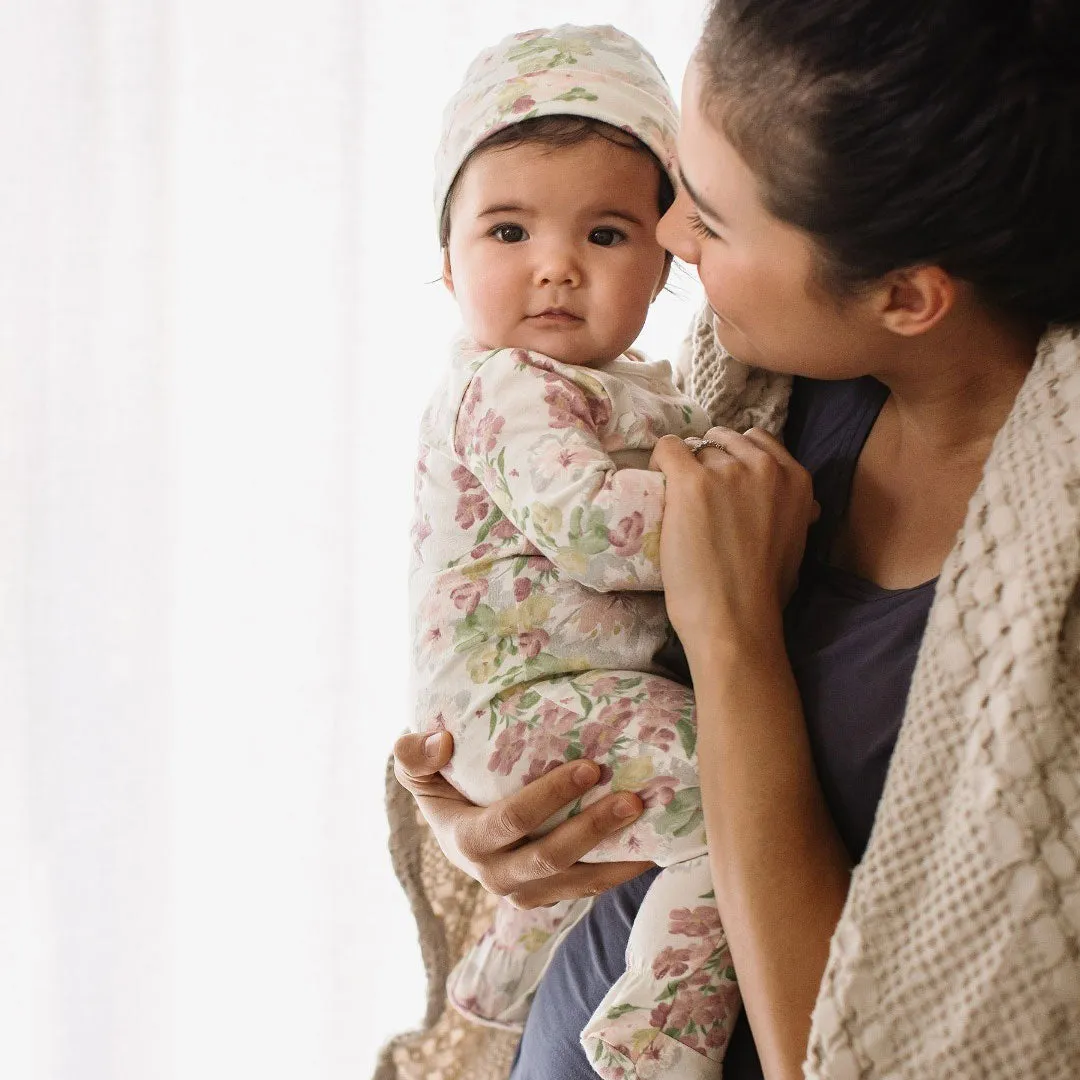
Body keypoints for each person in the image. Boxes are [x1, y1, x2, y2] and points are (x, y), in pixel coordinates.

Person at [383, 1, 1080, 1078]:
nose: (666, 238)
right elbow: (552, 630)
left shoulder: (1047, 587)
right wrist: (502, 832)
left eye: (704, 215)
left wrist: (734, 637)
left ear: (906, 295)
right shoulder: (763, 383)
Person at [411, 25, 743, 1077]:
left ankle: (501, 977)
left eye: (603, 235)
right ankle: (655, 1035)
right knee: (726, 793)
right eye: (508, 231)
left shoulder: (629, 385)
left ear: (666, 254)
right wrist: (728, 507)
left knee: (642, 778)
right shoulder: (507, 387)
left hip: (546, 695)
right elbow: (595, 528)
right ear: (447, 258)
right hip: (526, 700)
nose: (554, 266)